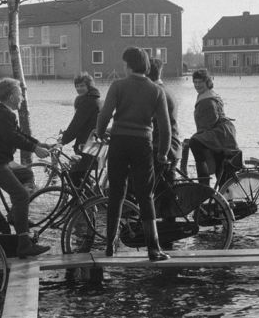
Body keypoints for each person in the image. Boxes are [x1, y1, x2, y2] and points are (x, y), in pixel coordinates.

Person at [96, 47, 171, 261]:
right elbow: (164, 127)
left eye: (124, 64)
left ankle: (110, 246)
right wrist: (163, 153)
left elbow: (105, 114)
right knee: (145, 195)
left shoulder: (118, 86)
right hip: (142, 145)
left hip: (119, 143)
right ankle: (153, 249)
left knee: (116, 193)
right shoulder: (157, 91)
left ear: (128, 65)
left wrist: (101, 133)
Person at [0, 78, 51, 259]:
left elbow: (18, 134)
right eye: (20, 95)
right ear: (11, 97)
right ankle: (24, 245)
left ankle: (14, 216)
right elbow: (11, 137)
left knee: (26, 173)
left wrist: (39, 143)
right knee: (21, 195)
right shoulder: (4, 114)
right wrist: (34, 149)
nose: (22, 99)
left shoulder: (4, 112)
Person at [189, 69, 239, 187]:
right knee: (221, 173)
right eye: (195, 82)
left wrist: (197, 137)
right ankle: (221, 199)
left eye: (200, 82)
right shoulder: (207, 94)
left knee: (194, 143)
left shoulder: (207, 100)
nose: (197, 85)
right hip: (222, 134)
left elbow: (209, 123)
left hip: (220, 135)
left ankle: (204, 187)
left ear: (207, 82)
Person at [145, 58, 182, 222]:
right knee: (165, 191)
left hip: (164, 148)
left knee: (159, 191)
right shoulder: (166, 90)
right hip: (171, 146)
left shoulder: (156, 93)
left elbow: (146, 120)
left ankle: (167, 233)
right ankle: (167, 231)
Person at [58, 72, 102, 186]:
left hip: (87, 144)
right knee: (80, 176)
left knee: (74, 174)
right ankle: (90, 201)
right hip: (94, 143)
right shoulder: (94, 99)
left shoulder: (87, 101)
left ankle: (88, 203)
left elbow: (76, 125)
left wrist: (63, 140)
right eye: (77, 86)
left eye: (82, 85)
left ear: (89, 86)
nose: (79, 88)